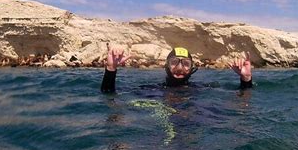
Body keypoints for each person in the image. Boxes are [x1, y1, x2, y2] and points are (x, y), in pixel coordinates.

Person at [101, 46, 252, 93]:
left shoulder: (204, 90)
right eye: (174, 62)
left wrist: (245, 80)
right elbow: (109, 94)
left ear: (192, 67)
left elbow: (243, 100)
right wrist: (111, 69)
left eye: (186, 63)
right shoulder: (152, 90)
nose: (180, 68)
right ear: (166, 65)